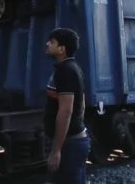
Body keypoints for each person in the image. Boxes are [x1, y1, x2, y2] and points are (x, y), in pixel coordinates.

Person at [44, 28, 89, 184]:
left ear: (62, 49)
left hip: (70, 145)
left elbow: (66, 111)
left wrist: (56, 150)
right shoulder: (71, 68)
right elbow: (81, 104)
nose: (47, 44)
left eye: (52, 42)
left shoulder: (66, 71)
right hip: (73, 141)